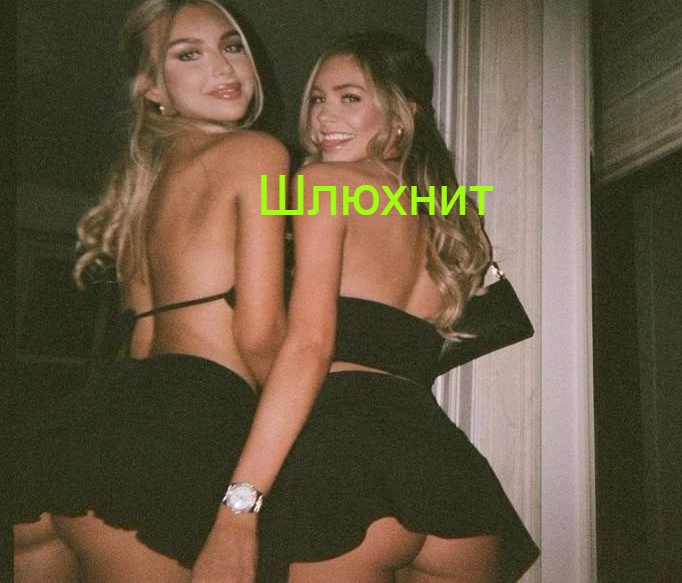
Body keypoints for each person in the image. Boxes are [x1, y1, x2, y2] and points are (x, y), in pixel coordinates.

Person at [192, 32, 539, 582]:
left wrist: (239, 509)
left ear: (400, 116)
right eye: (317, 98)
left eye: (349, 97)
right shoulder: (451, 210)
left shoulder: (324, 184)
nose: (323, 115)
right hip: (444, 469)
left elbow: (310, 346)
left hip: (344, 458)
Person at [11, 0, 289, 582]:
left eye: (232, 46)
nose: (223, 67)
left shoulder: (143, 184)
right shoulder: (257, 153)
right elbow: (261, 334)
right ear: (152, 88)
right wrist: (305, 420)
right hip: (175, 435)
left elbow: (143, 342)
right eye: (189, 54)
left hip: (79, 432)